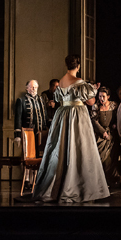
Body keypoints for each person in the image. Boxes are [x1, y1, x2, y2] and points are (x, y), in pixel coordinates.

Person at [30, 54, 109, 203]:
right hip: (77, 116)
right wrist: (94, 89)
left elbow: (60, 99)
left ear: (67, 66)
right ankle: (78, 186)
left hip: (63, 115)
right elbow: (91, 101)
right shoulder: (79, 82)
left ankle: (58, 185)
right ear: (78, 66)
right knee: (80, 148)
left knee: (61, 149)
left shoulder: (61, 81)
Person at [90, 86, 120, 184]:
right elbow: (94, 121)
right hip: (100, 135)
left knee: (111, 158)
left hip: (112, 134)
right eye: (99, 96)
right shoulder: (95, 106)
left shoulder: (113, 105)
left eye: (103, 96)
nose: (101, 98)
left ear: (108, 97)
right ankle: (99, 181)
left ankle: (110, 180)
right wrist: (103, 132)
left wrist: (115, 124)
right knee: (101, 157)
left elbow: (117, 117)